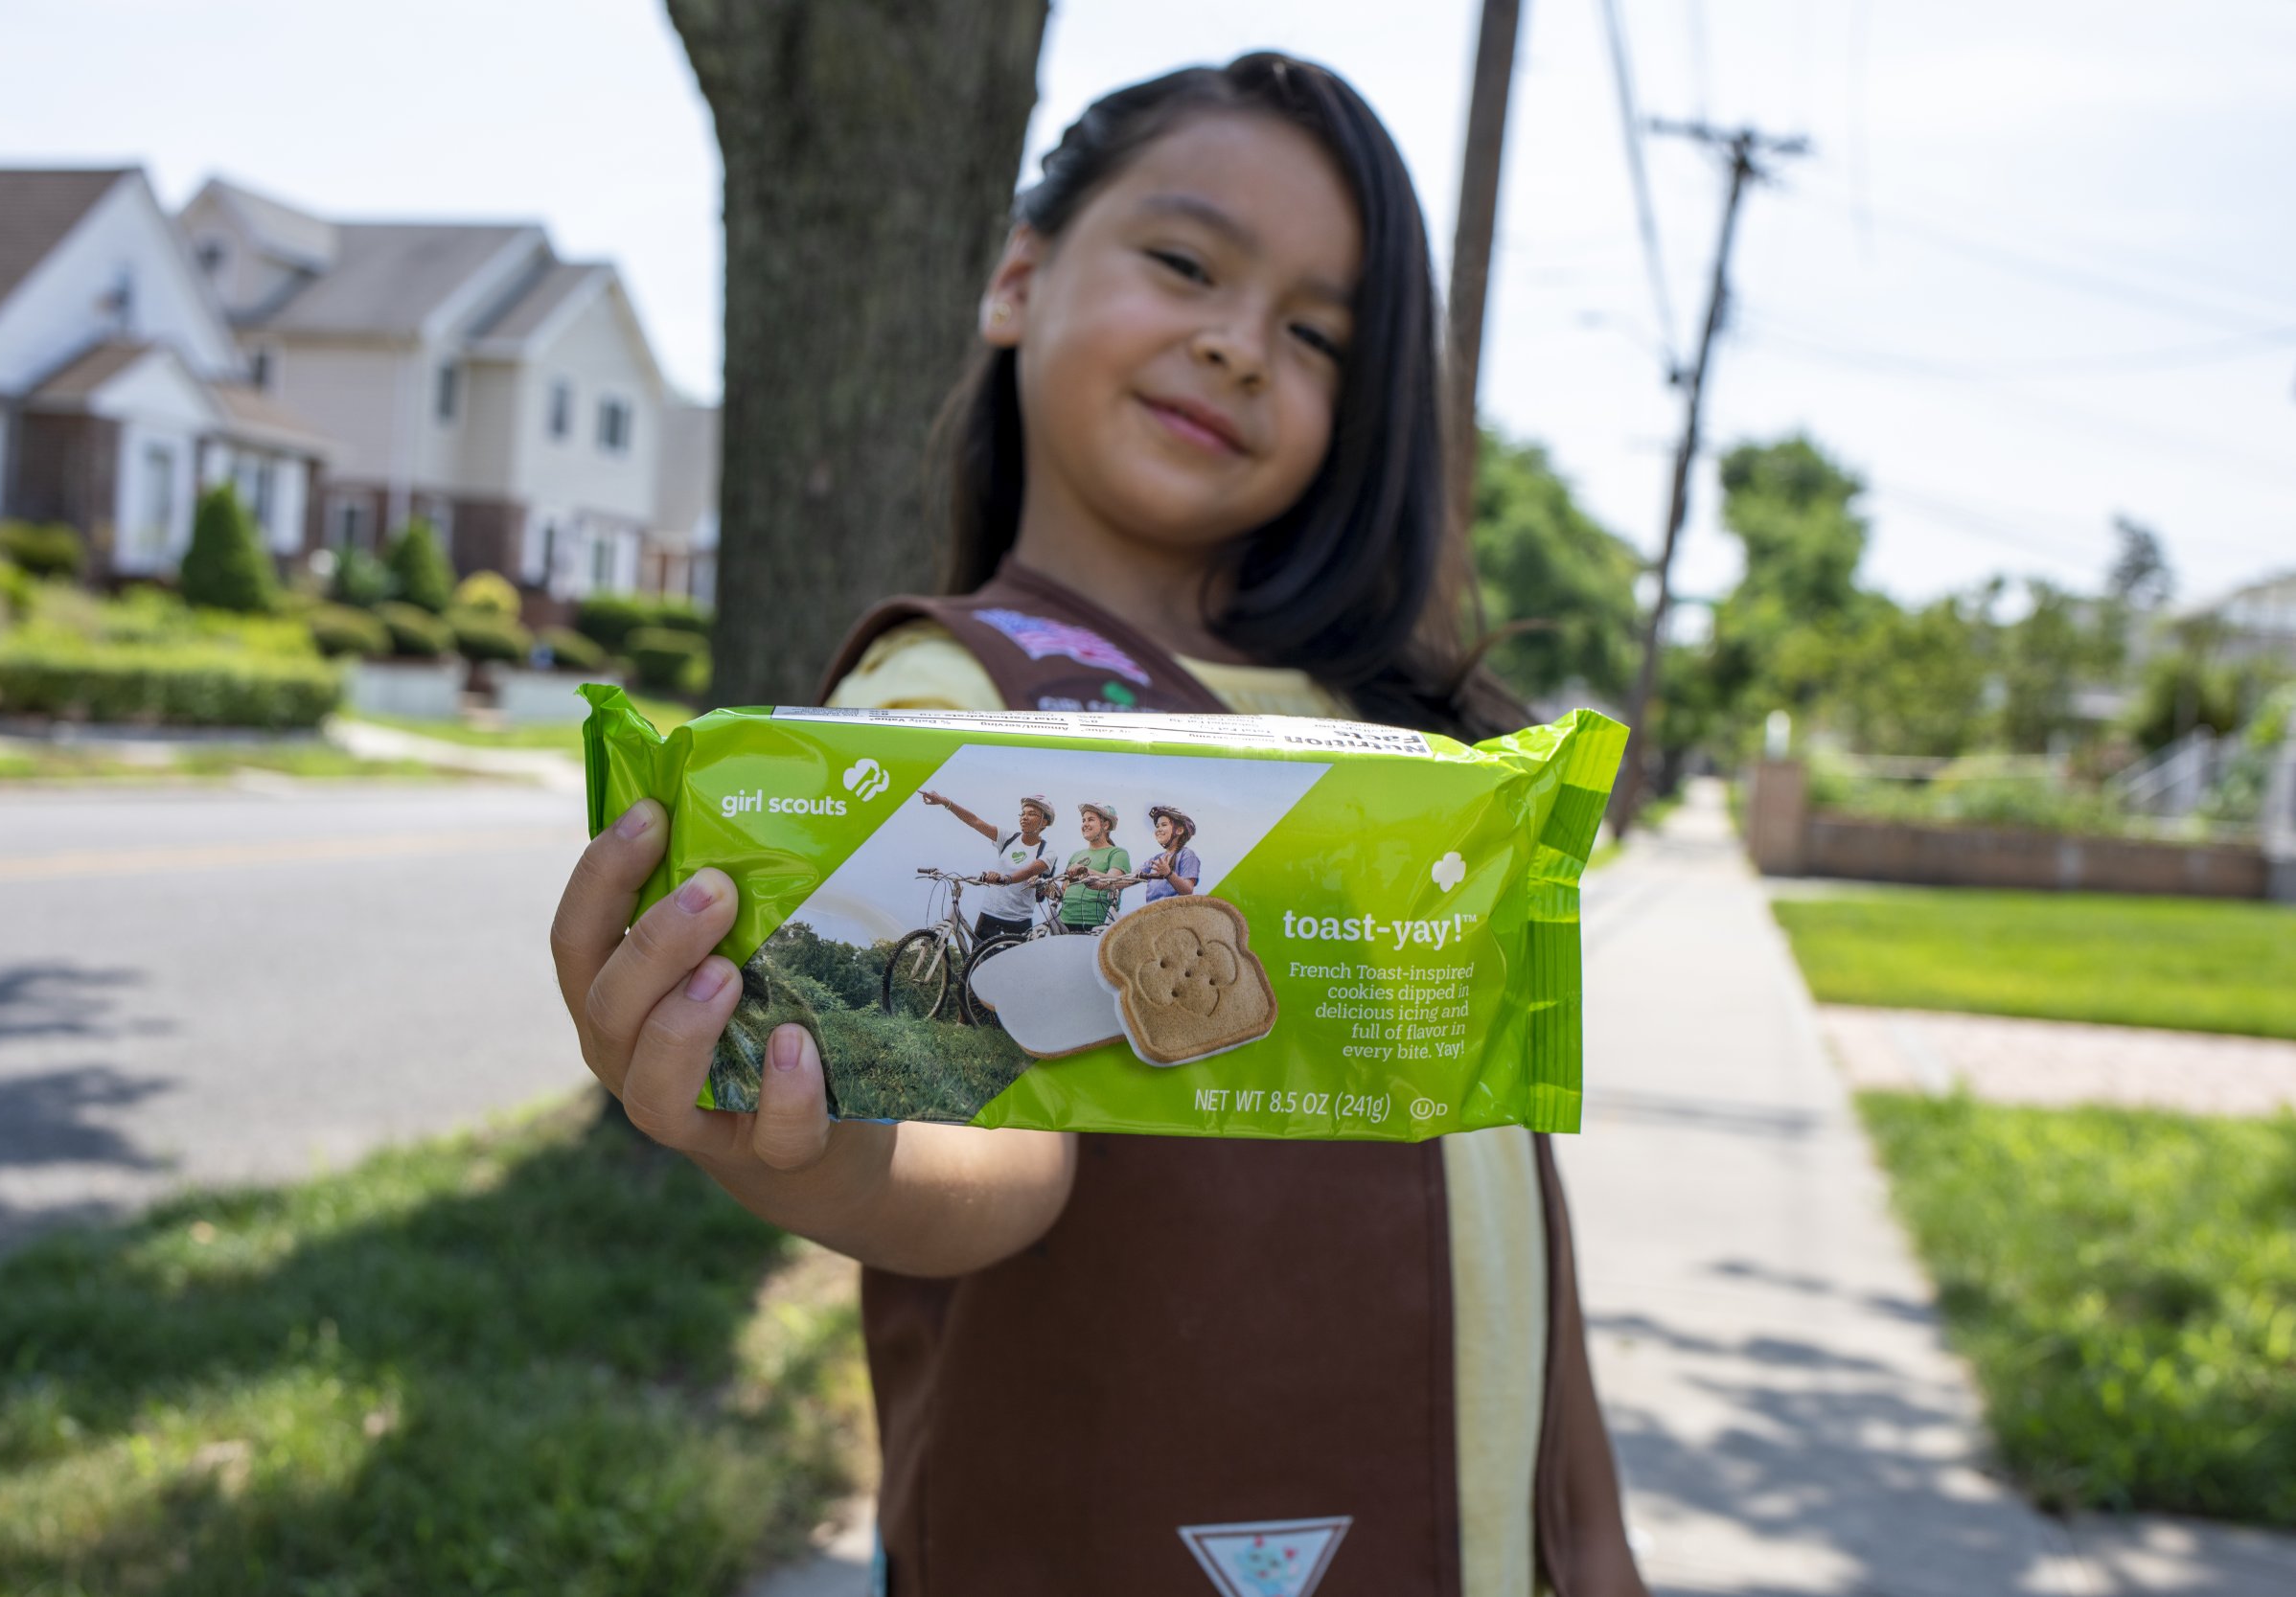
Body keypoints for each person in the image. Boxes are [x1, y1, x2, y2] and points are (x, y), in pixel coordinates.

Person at [548, 52, 1644, 1596]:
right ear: (1017, 275)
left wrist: (1590, 1544)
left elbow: (1509, 1176)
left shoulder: (1403, 736)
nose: (1238, 345)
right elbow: (980, 1139)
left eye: (1318, 334)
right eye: (1186, 262)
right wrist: (811, 1147)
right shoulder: (950, 699)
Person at [919, 787, 1055, 942]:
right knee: (976, 963)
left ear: (1044, 822)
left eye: (1031, 814)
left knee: (1012, 966)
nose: (1024, 817)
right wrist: (945, 802)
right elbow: (975, 821)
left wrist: (1004, 878)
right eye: (1023, 813)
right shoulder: (1008, 838)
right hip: (988, 915)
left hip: (1018, 921)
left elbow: (1030, 870)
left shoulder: (1048, 851)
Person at [1056, 802, 1133, 930]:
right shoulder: (1076, 855)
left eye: (1091, 820)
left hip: (1096, 924)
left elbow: (1113, 881)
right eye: (1083, 820)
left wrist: (1085, 870)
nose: (1085, 824)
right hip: (1063, 922)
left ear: (1106, 825)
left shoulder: (1117, 853)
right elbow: (1064, 890)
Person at [1137, 803, 1202, 901]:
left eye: (1164, 825)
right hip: (1153, 911)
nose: (1158, 829)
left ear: (1179, 830)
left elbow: (1188, 890)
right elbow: (1130, 878)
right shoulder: (1156, 859)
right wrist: (1106, 879)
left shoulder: (1186, 855)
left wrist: (1168, 873)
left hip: (1175, 911)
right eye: (1157, 826)